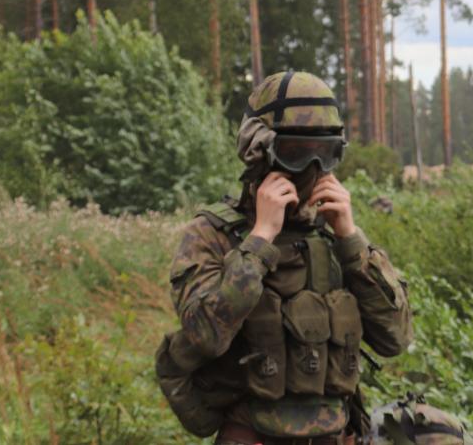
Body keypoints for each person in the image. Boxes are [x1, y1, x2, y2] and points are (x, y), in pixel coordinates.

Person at [155, 71, 413, 445]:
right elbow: (204, 336)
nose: (311, 167)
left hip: (336, 434)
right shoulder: (214, 234)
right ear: (257, 150)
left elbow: (396, 339)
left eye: (325, 154)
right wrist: (260, 240)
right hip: (252, 434)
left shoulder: (334, 235)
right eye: (294, 153)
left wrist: (351, 240)